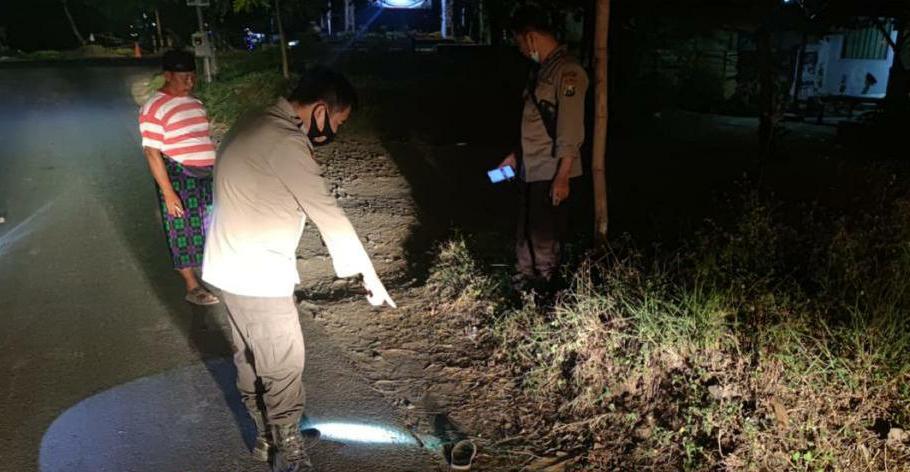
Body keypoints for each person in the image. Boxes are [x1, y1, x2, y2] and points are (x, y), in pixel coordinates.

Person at [202, 67, 396, 470]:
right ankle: (289, 453)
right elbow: (328, 212)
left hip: (227, 264)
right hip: (257, 271)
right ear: (321, 109)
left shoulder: (253, 120)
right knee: (284, 364)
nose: (335, 133)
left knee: (250, 356)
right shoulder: (285, 141)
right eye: (338, 123)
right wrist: (368, 275)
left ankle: (264, 437)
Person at [499, 7, 589, 290]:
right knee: (525, 227)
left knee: (544, 233)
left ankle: (546, 286)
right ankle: (525, 278)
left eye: (520, 43)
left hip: (552, 170)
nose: (521, 50)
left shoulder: (567, 71)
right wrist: (516, 155)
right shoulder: (540, 71)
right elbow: (535, 121)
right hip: (531, 165)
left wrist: (563, 176)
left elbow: (570, 128)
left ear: (531, 38)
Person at [139, 49, 220, 306]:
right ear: (167, 76)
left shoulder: (195, 104)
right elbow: (152, 152)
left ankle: (216, 271)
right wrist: (168, 191)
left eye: (192, 77)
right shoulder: (153, 107)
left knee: (211, 224)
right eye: (183, 77)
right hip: (178, 175)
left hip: (207, 174)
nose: (189, 82)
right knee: (182, 230)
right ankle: (192, 286)